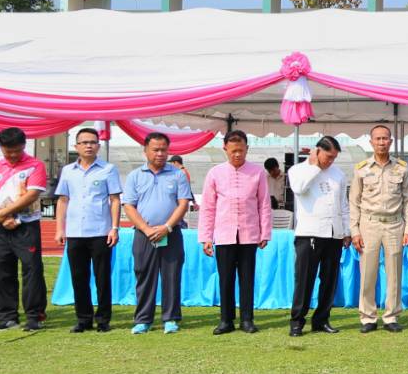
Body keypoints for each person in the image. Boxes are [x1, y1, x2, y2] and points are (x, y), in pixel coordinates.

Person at [198, 130, 272, 335]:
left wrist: (265, 232)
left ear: (247, 148)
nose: (237, 155)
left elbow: (264, 204)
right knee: (225, 278)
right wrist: (205, 237)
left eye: (241, 150)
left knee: (247, 278)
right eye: (233, 151)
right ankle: (226, 320)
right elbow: (208, 207)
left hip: (249, 234)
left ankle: (247, 319)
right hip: (224, 234)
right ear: (225, 149)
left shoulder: (257, 172)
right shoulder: (215, 173)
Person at [0, 127, 49, 331]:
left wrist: (2, 214)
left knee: (32, 270)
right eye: (8, 151)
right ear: (1, 148)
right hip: (0, 229)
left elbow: (32, 195)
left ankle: (35, 315)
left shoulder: (35, 165)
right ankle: (7, 316)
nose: (13, 155)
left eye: (17, 151)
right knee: (0, 270)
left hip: (26, 227)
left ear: (23, 146)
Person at [53, 126, 121, 333]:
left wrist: (114, 227)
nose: (88, 146)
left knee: (102, 277)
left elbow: (115, 199)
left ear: (98, 146)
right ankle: (83, 319)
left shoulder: (108, 169)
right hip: (75, 233)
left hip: (100, 231)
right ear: (76, 146)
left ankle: (103, 320)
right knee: (78, 277)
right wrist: (59, 229)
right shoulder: (67, 171)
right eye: (84, 142)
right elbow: (63, 200)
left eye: (92, 142)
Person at [124, 132, 193, 334]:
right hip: (143, 234)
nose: (160, 154)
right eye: (155, 149)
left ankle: (170, 318)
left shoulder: (177, 174)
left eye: (164, 149)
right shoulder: (135, 176)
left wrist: (167, 227)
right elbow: (129, 206)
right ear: (145, 150)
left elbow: (183, 203)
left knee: (171, 276)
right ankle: (143, 319)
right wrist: (146, 229)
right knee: (144, 275)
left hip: (170, 234)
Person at [351, 124, 408, 333]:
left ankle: (391, 316)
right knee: (368, 272)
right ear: (371, 142)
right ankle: (368, 317)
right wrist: (355, 231)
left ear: (391, 141)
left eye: (385, 138)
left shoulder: (402, 168)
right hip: (369, 224)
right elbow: (354, 201)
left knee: (394, 272)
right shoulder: (361, 168)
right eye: (377, 139)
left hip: (394, 224)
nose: (381, 142)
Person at [288, 136, 349, 337]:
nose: (330, 161)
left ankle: (322, 319)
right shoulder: (297, 170)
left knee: (329, 280)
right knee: (305, 280)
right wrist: (314, 167)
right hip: (309, 233)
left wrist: (346, 230)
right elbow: (299, 189)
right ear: (317, 151)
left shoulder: (338, 174)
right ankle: (297, 321)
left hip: (334, 233)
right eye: (328, 156)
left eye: (334, 158)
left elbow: (343, 205)